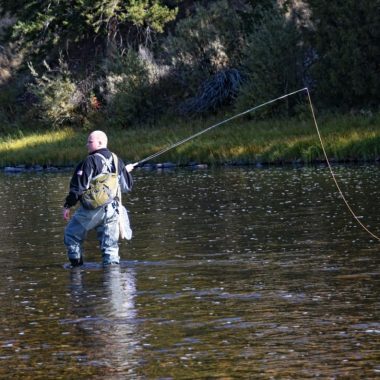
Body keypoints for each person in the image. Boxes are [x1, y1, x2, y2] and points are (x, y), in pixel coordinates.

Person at [63, 130, 134, 267]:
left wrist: (67, 206)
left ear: (100, 142)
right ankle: (113, 281)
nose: (87, 145)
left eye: (90, 142)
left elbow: (78, 188)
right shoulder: (117, 160)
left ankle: (76, 270)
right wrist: (124, 170)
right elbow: (127, 187)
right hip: (112, 211)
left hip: (92, 210)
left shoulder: (90, 161)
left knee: (71, 236)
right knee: (110, 248)